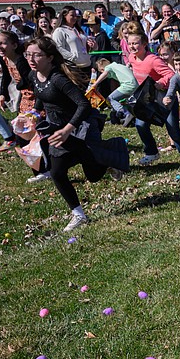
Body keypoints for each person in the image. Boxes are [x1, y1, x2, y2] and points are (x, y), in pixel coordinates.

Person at [24, 35, 128, 231]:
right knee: (57, 172)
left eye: (36, 55)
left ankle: (111, 153)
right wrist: (33, 114)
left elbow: (83, 105)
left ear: (50, 58)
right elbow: (41, 97)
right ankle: (78, 214)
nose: (31, 59)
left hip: (81, 128)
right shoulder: (33, 75)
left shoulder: (58, 79)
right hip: (57, 130)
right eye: (28, 54)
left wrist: (67, 130)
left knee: (93, 176)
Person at [128, 36, 180, 166]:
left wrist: (161, 82)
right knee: (140, 125)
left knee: (172, 128)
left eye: (135, 43)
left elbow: (171, 74)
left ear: (144, 44)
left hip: (165, 96)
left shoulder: (153, 60)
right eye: (130, 44)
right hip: (147, 98)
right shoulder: (132, 58)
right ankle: (151, 153)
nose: (132, 47)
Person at [90, 56, 138, 125]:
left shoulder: (109, 67)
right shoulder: (118, 66)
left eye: (101, 71)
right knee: (116, 101)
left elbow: (105, 73)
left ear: (102, 68)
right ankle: (115, 120)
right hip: (135, 85)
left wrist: (95, 84)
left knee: (110, 98)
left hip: (128, 85)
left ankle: (125, 113)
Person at [51, 6, 93, 84]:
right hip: (74, 68)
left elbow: (86, 44)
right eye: (72, 15)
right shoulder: (59, 31)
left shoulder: (79, 29)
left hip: (86, 64)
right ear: (64, 16)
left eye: (75, 16)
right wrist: (72, 57)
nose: (75, 18)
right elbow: (58, 47)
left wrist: (91, 45)